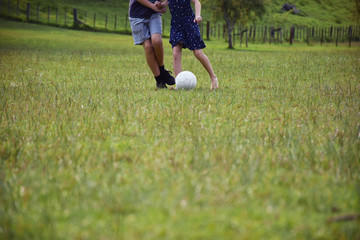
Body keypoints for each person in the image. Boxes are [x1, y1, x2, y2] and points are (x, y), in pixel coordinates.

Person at [156, 0, 218, 90]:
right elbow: (167, 3)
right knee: (175, 53)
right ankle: (179, 83)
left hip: (190, 23)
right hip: (176, 25)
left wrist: (198, 15)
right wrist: (161, 5)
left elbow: (197, 2)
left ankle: (213, 77)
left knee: (198, 53)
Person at [129, 0, 175, 89]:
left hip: (154, 14)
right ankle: (159, 81)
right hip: (137, 15)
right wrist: (153, 6)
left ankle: (162, 70)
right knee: (148, 47)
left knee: (157, 41)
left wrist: (163, 3)